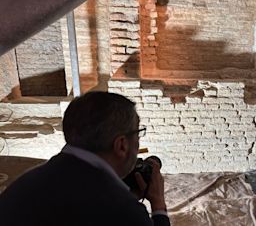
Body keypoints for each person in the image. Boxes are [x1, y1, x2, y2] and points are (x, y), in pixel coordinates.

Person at [0, 91, 170, 226]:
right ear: (122, 145)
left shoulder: (30, 179)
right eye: (137, 133)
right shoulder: (124, 211)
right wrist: (158, 206)